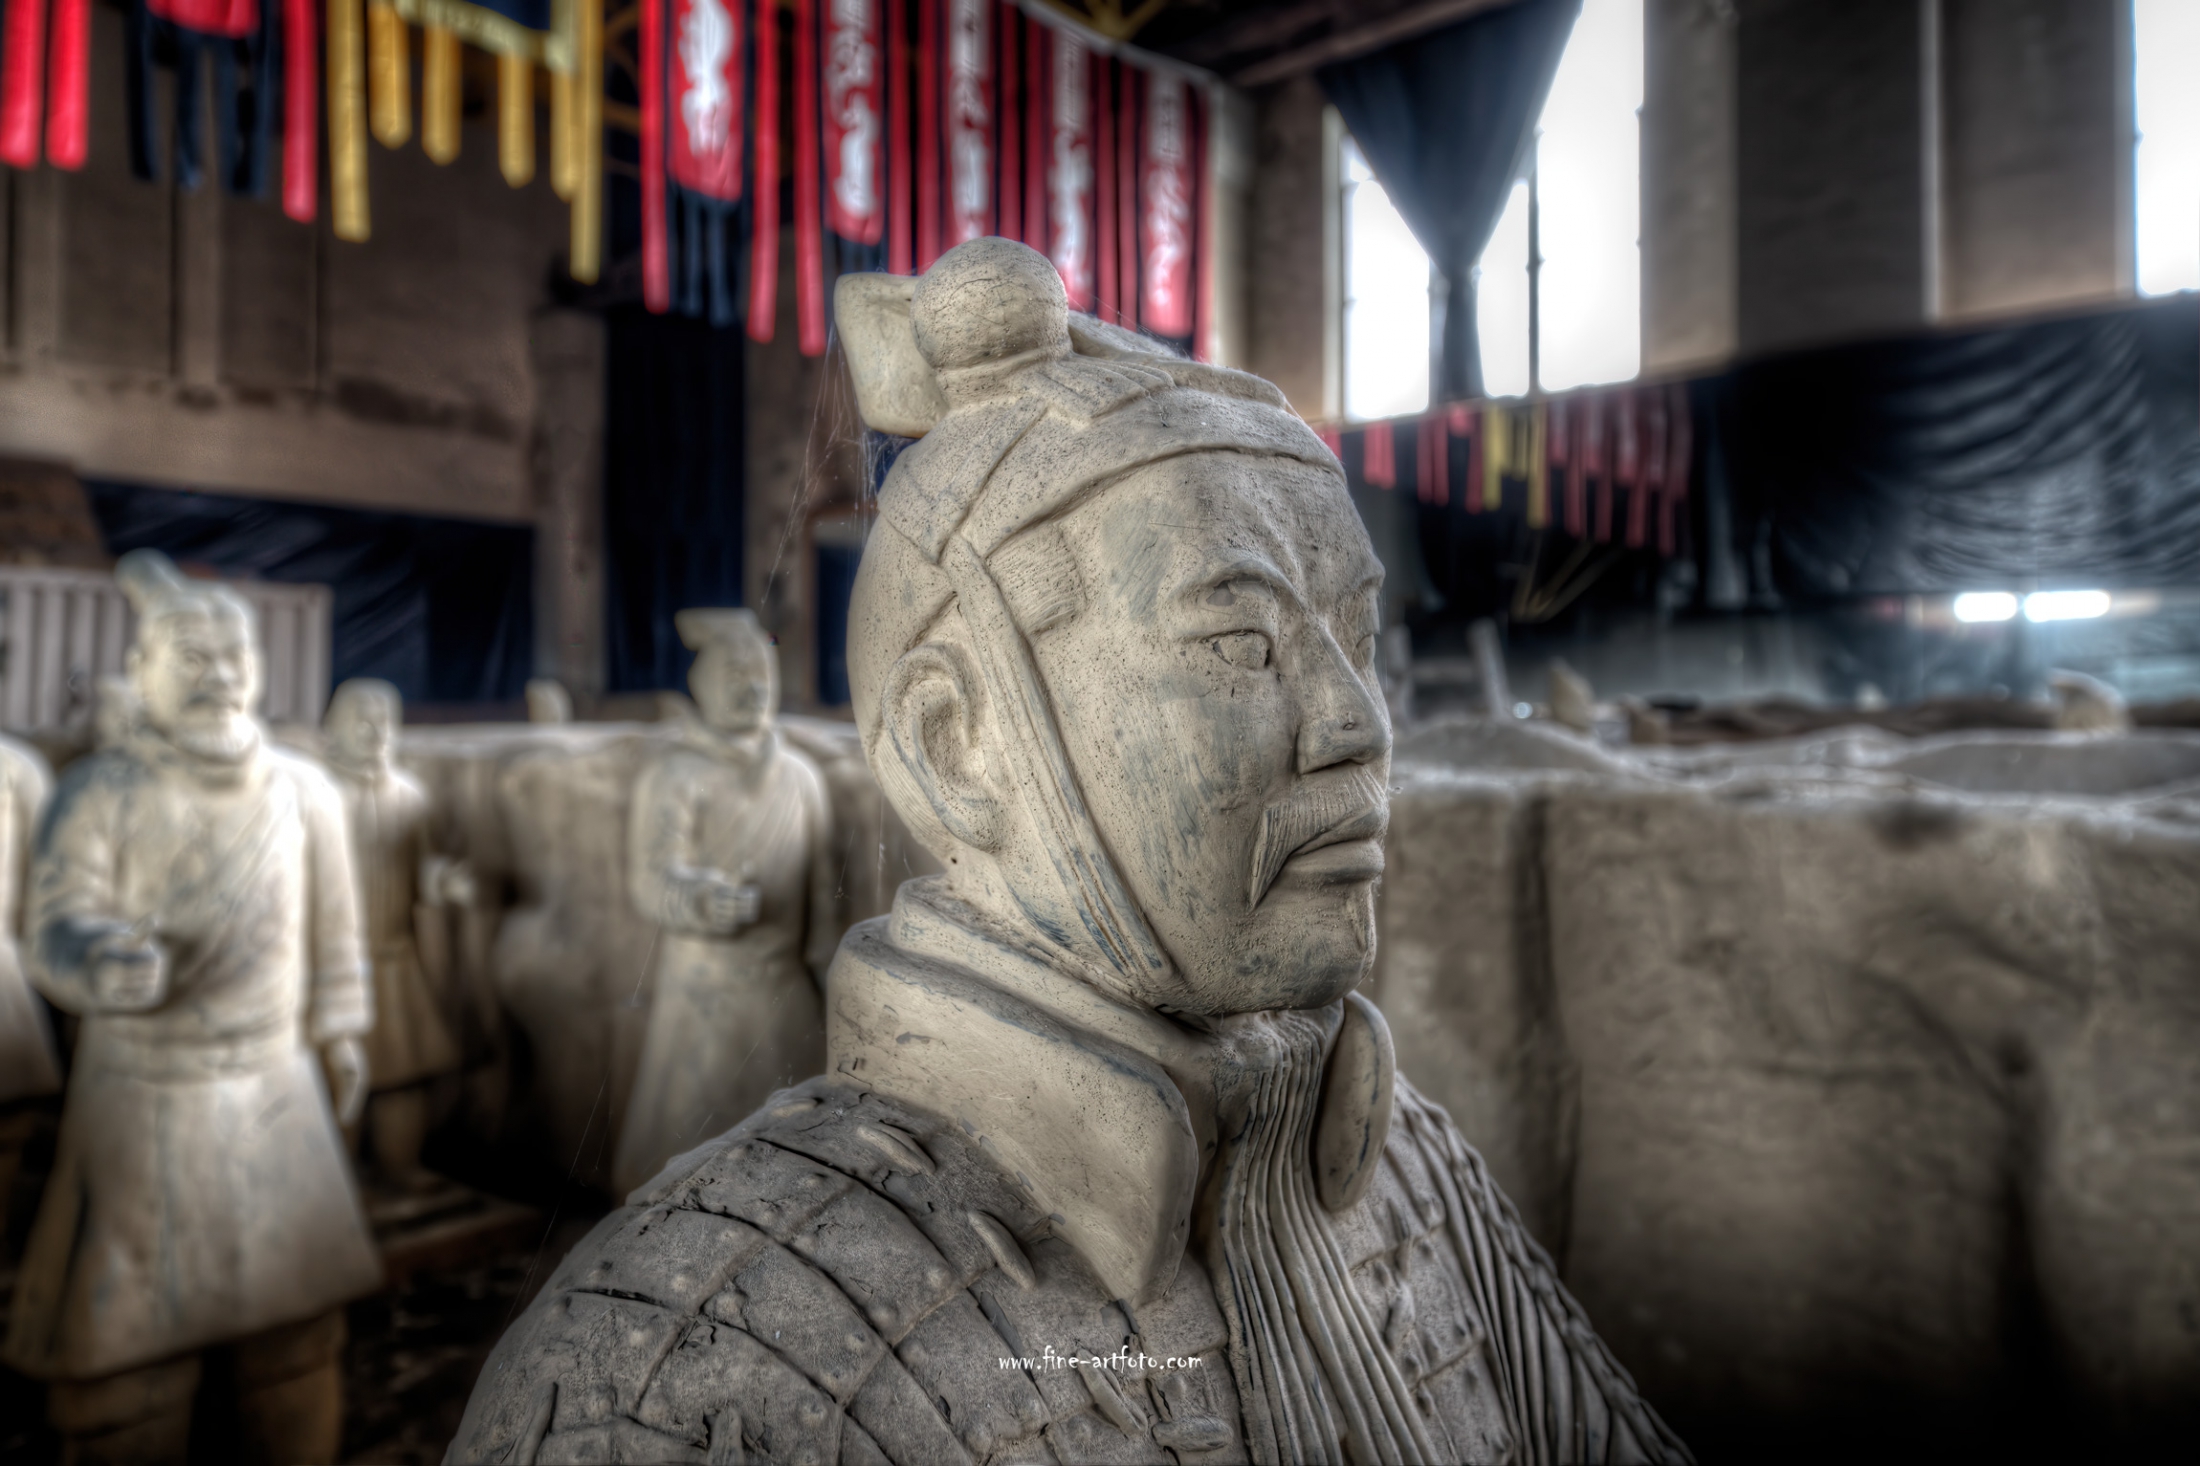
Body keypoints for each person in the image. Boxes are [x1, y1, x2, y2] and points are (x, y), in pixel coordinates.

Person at [448, 239, 1690, 1465]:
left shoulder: (1415, 1168)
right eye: (1242, 644)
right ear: (956, 746)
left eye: (1355, 637)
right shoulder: (668, 1371)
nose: (1358, 723)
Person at [4, 550, 382, 1465]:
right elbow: (53, 924)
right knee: (125, 1363)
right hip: (142, 1097)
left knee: (295, 1334)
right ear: (141, 670)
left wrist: (339, 1029)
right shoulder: (101, 792)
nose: (218, 674)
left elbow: (336, 929)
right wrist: (95, 959)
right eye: (191, 655)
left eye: (235, 654)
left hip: (275, 1086)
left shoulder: (306, 791)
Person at [611, 607, 837, 1196]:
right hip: (704, 994)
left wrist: (827, 967)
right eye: (734, 675)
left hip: (784, 989)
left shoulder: (802, 777)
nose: (753, 688)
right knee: (687, 1152)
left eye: (762, 674)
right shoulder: (675, 775)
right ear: (701, 685)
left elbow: (822, 890)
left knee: (799, 1151)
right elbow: (650, 877)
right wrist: (697, 898)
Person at [323, 676, 470, 1191]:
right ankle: (337, 1180)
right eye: (361, 721)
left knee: (404, 1075)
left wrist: (443, 882)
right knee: (337, 1078)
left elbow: (421, 866)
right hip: (333, 964)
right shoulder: (319, 794)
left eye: (385, 721)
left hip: (393, 958)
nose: (376, 732)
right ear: (333, 727)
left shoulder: (409, 795)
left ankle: (399, 1166)